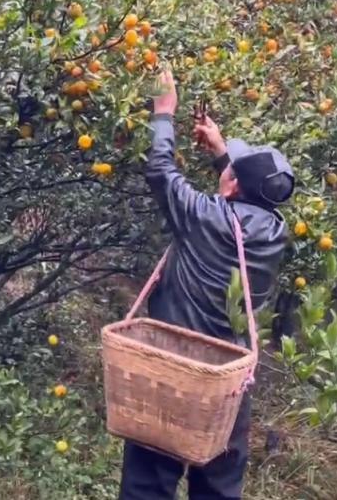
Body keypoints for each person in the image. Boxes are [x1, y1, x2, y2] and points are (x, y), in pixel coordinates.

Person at [119, 68, 295, 500]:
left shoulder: (205, 216)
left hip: (175, 372)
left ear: (232, 186)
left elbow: (161, 172)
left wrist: (164, 113)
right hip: (228, 385)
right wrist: (222, 154)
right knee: (217, 487)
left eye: (230, 169)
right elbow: (246, 196)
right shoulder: (276, 230)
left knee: (149, 482)